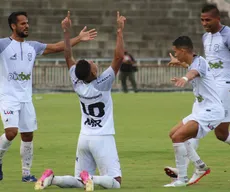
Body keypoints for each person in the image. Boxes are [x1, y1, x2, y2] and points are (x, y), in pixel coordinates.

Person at [0, 11, 97, 182]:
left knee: (28, 135)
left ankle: (26, 174)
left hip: (26, 98)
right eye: (22, 23)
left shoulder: (33, 46)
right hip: (8, 97)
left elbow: (58, 47)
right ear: (13, 26)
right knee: (11, 132)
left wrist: (78, 38)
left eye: (27, 22)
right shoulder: (3, 45)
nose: (26, 26)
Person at [34, 11, 125, 191]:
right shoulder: (102, 84)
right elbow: (119, 58)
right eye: (91, 63)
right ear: (92, 73)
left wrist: (66, 32)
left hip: (84, 137)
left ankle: (52, 179)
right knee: (116, 182)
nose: (92, 61)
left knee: (79, 180)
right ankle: (91, 177)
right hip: (102, 137)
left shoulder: (77, 83)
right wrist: (120, 30)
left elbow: (68, 56)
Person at [165, 3, 230, 183]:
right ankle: (187, 168)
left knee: (209, 129)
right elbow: (202, 66)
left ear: (218, 18)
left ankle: (186, 169)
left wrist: (186, 77)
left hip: (225, 86)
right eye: (202, 20)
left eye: (208, 20)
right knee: (219, 133)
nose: (204, 23)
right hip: (209, 87)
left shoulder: (228, 35)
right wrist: (183, 65)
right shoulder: (205, 37)